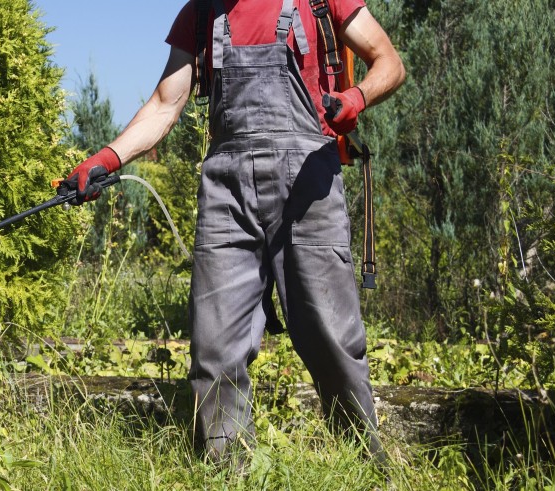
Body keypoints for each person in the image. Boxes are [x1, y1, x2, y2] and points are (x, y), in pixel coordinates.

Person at [62, 0, 405, 465]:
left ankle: (365, 464)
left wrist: (355, 98)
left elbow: (389, 61)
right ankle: (228, 470)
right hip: (226, 189)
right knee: (215, 344)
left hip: (308, 182)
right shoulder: (200, 14)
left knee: (331, 337)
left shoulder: (322, 2)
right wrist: (107, 158)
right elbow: (167, 102)